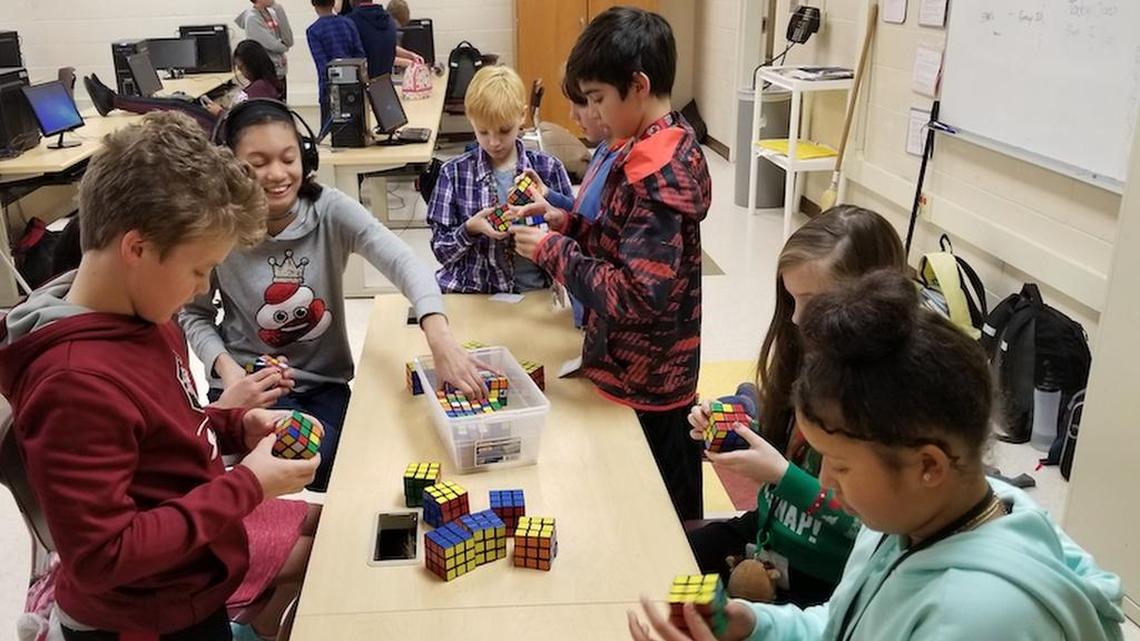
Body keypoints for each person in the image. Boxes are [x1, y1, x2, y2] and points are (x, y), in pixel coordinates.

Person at [628, 270, 1126, 641]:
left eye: (840, 465)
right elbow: (846, 624)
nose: (824, 480)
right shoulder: (909, 518)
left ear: (927, 465)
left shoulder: (983, 618)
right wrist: (758, 625)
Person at [0, 111, 321, 641]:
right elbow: (105, 555)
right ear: (138, 247)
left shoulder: (143, 315)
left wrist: (235, 425)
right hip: (145, 622)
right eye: (198, 270)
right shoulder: (72, 384)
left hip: (190, 586)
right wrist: (247, 485)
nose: (200, 290)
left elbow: (164, 422)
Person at [179, 100, 485, 493]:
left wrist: (440, 338)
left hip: (324, 384)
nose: (277, 174)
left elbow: (404, 261)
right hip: (249, 384)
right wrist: (228, 370)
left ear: (306, 157)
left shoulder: (329, 210)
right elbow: (193, 314)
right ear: (229, 168)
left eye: (288, 158)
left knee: (361, 457)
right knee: (326, 461)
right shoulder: (219, 224)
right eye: (258, 163)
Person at [512, 7, 711, 521]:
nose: (592, 111)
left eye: (598, 97)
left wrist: (553, 252)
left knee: (659, 527)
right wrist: (565, 222)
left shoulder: (656, 172)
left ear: (638, 85)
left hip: (650, 387)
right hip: (632, 372)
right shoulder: (649, 149)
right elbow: (622, 244)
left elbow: (637, 293)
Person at [685, 206, 905, 607]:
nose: (797, 319)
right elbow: (781, 438)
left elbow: (872, 530)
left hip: (827, 577)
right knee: (663, 555)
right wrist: (735, 430)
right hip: (767, 537)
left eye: (813, 302)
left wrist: (783, 475)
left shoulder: (891, 401)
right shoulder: (807, 356)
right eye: (792, 300)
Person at [427, 65, 572, 294]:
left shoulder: (548, 169)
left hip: (535, 293)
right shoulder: (452, 174)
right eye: (483, 132)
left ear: (522, 115)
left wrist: (550, 226)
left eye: (504, 130)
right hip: (475, 293)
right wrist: (470, 229)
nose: (494, 142)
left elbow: (575, 237)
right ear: (471, 121)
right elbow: (441, 251)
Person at [522, 74, 621, 327]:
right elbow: (586, 215)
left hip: (601, 304)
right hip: (584, 300)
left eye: (584, 103)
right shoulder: (601, 150)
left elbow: (605, 244)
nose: (573, 116)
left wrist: (549, 248)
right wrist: (551, 198)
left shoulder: (624, 169)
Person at [83, 40, 282, 132]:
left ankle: (112, 99)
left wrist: (220, 112)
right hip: (225, 125)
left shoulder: (258, 89)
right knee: (175, 103)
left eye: (241, 67)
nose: (241, 72)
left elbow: (244, 124)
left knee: (175, 106)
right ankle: (112, 98)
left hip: (224, 130)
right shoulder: (266, 85)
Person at [307, 0, 366, 127]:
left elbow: (322, 65)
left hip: (329, 90)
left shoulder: (313, 31)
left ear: (314, 5)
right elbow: (360, 56)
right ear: (334, 3)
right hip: (353, 87)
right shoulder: (348, 23)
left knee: (331, 133)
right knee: (355, 130)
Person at [346, 0, 418, 80]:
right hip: (384, 85)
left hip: (363, 84)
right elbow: (385, 48)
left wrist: (409, 56)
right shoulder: (388, 21)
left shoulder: (349, 23)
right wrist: (409, 57)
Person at [237, 0, 294, 99]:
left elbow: (289, 40)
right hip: (267, 73)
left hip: (280, 71)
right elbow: (274, 45)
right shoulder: (252, 18)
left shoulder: (272, 13)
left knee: (282, 105)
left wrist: (278, 8)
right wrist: (284, 46)